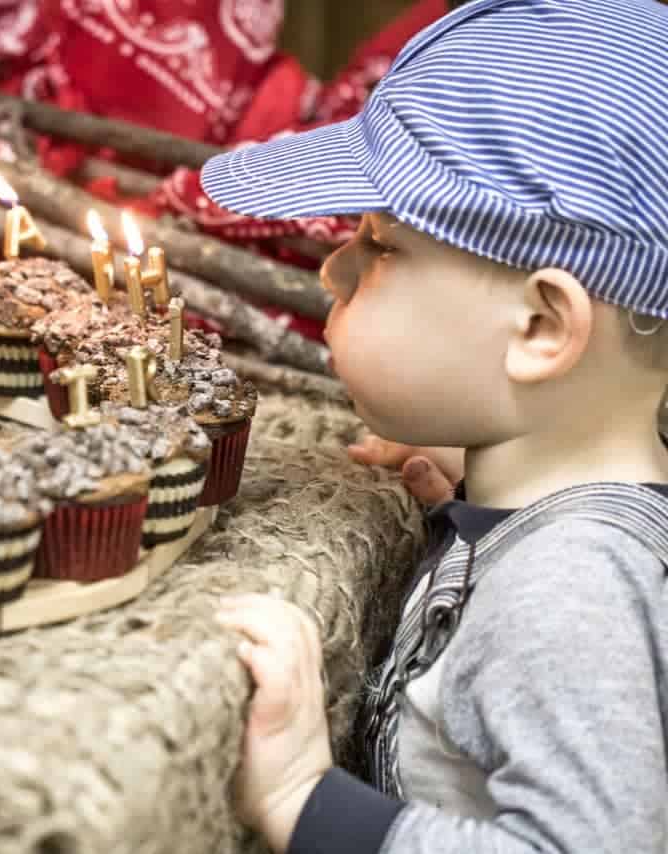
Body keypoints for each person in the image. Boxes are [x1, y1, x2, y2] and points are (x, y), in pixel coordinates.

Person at [199, 1, 668, 852]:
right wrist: (479, 481)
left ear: (540, 329)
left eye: (381, 246)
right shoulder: (570, 529)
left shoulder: (569, 583)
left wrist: (306, 802)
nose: (337, 267)